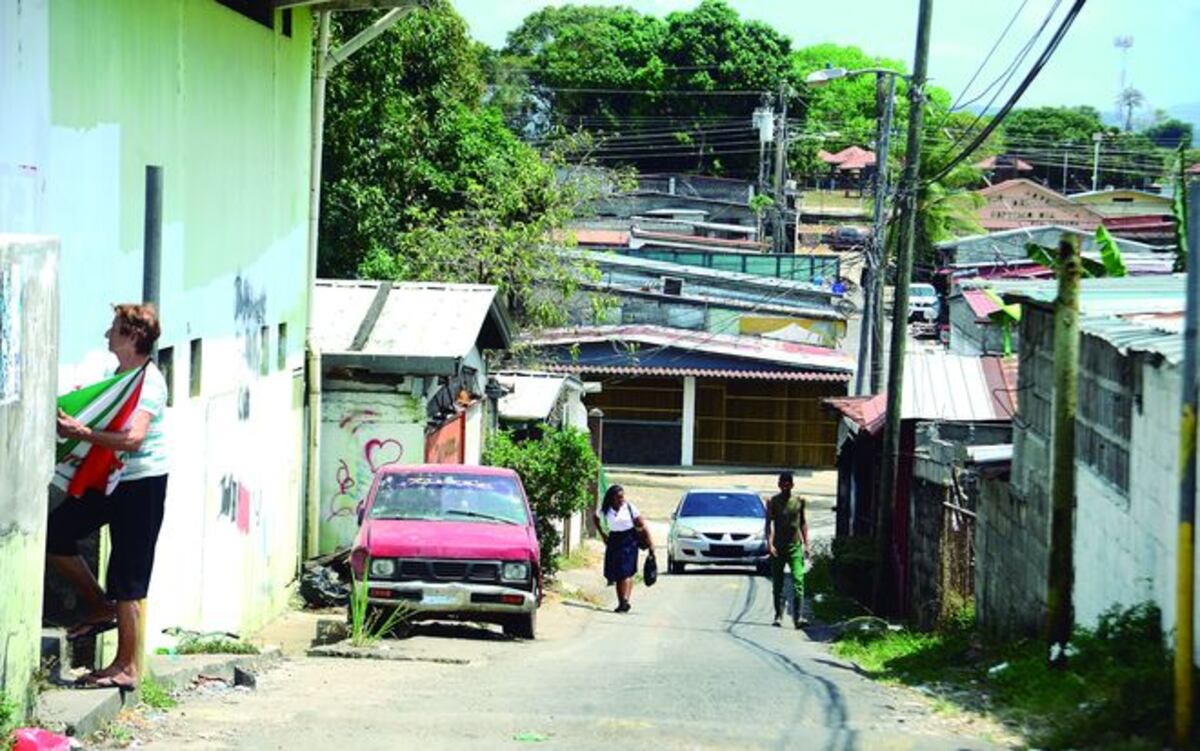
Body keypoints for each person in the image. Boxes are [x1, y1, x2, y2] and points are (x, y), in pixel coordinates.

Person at [48, 303, 170, 690]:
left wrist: (81, 432)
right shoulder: (118, 377)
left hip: (141, 483)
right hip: (112, 479)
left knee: (129, 576)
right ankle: (98, 604)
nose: (107, 334)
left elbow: (134, 439)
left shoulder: (148, 383)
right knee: (55, 533)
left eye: (114, 328)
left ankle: (127, 667)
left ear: (133, 336)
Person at [593, 485, 653, 613]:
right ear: (612, 498)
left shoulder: (630, 508)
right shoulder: (605, 509)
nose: (622, 500)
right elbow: (595, 519)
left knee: (626, 571)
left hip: (630, 540)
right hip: (614, 540)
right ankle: (622, 601)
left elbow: (642, 525)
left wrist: (651, 545)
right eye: (619, 497)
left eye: (622, 497)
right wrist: (603, 534)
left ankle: (624, 601)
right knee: (617, 572)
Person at [766, 471, 808, 629]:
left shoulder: (799, 501)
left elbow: (803, 522)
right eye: (782, 482)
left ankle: (798, 617)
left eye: (788, 482)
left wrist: (806, 545)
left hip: (795, 547)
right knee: (778, 583)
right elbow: (768, 524)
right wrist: (770, 544)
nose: (785, 485)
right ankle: (778, 615)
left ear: (792, 484)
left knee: (799, 580)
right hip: (778, 548)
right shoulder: (773, 501)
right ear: (778, 484)